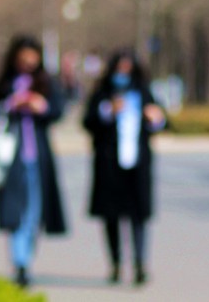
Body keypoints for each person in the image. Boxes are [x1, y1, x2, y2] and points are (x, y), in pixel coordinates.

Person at [83, 51, 167, 287]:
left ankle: (140, 263)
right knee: (111, 217)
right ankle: (116, 263)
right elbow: (88, 122)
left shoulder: (144, 93)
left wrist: (155, 118)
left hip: (137, 165)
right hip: (110, 165)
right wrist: (108, 111)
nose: (123, 75)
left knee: (138, 216)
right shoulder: (103, 94)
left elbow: (163, 121)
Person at [0, 36, 68, 288]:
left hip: (37, 157)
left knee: (35, 212)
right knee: (14, 210)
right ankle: (20, 261)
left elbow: (58, 111)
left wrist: (41, 106)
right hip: (10, 158)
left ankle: (26, 256)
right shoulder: (4, 83)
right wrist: (11, 103)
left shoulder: (46, 83)